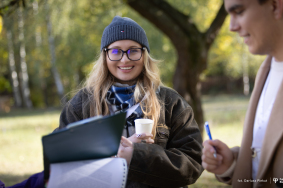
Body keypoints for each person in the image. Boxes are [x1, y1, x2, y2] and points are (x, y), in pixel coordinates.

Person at [57, 16, 203, 188]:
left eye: (133, 50)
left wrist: (138, 155)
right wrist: (114, 155)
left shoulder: (171, 103)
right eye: (115, 51)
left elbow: (192, 165)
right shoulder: (81, 104)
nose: (125, 59)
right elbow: (61, 161)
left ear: (144, 54)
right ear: (105, 55)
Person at [202, 0, 283, 187]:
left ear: (275, 6)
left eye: (238, 11)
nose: (231, 27)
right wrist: (233, 164)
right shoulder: (267, 70)